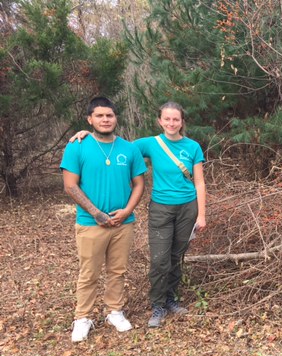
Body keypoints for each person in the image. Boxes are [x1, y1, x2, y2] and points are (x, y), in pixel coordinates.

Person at [71, 102, 207, 328]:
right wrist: (88, 134)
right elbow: (115, 146)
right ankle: (158, 305)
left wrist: (201, 215)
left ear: (182, 122)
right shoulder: (150, 144)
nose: (171, 123)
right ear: (159, 121)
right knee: (159, 259)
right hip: (161, 209)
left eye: (176, 119)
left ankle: (171, 299)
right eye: (167, 119)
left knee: (176, 256)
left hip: (188, 208)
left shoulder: (192, 147)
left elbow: (200, 182)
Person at [61, 97, 147, 342]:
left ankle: (115, 312)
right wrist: (95, 212)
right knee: (89, 272)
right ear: (90, 119)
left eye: (109, 115)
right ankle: (82, 318)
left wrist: (127, 211)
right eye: (99, 116)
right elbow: (70, 185)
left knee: (117, 270)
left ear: (115, 118)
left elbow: (140, 183)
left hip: (123, 223)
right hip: (91, 223)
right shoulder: (78, 145)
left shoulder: (128, 149)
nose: (105, 120)